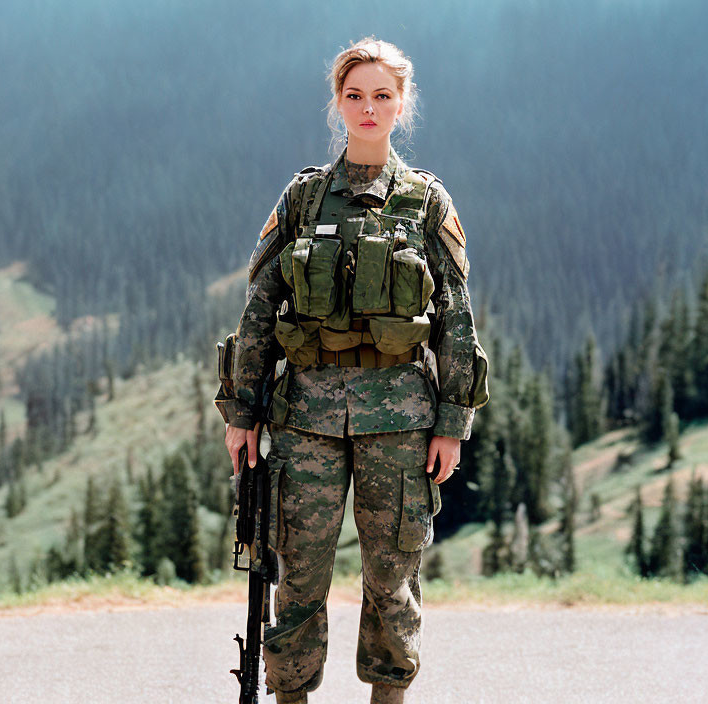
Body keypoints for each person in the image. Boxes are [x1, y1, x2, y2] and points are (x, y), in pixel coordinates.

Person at [217, 37, 490, 704]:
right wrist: (242, 414)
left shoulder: (426, 203)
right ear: (338, 103)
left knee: (391, 583)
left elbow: (456, 317)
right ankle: (291, 697)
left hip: (398, 423)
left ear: (403, 105)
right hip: (305, 418)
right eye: (355, 95)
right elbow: (260, 310)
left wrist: (453, 421)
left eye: (383, 96)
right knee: (298, 582)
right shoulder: (305, 199)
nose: (368, 108)